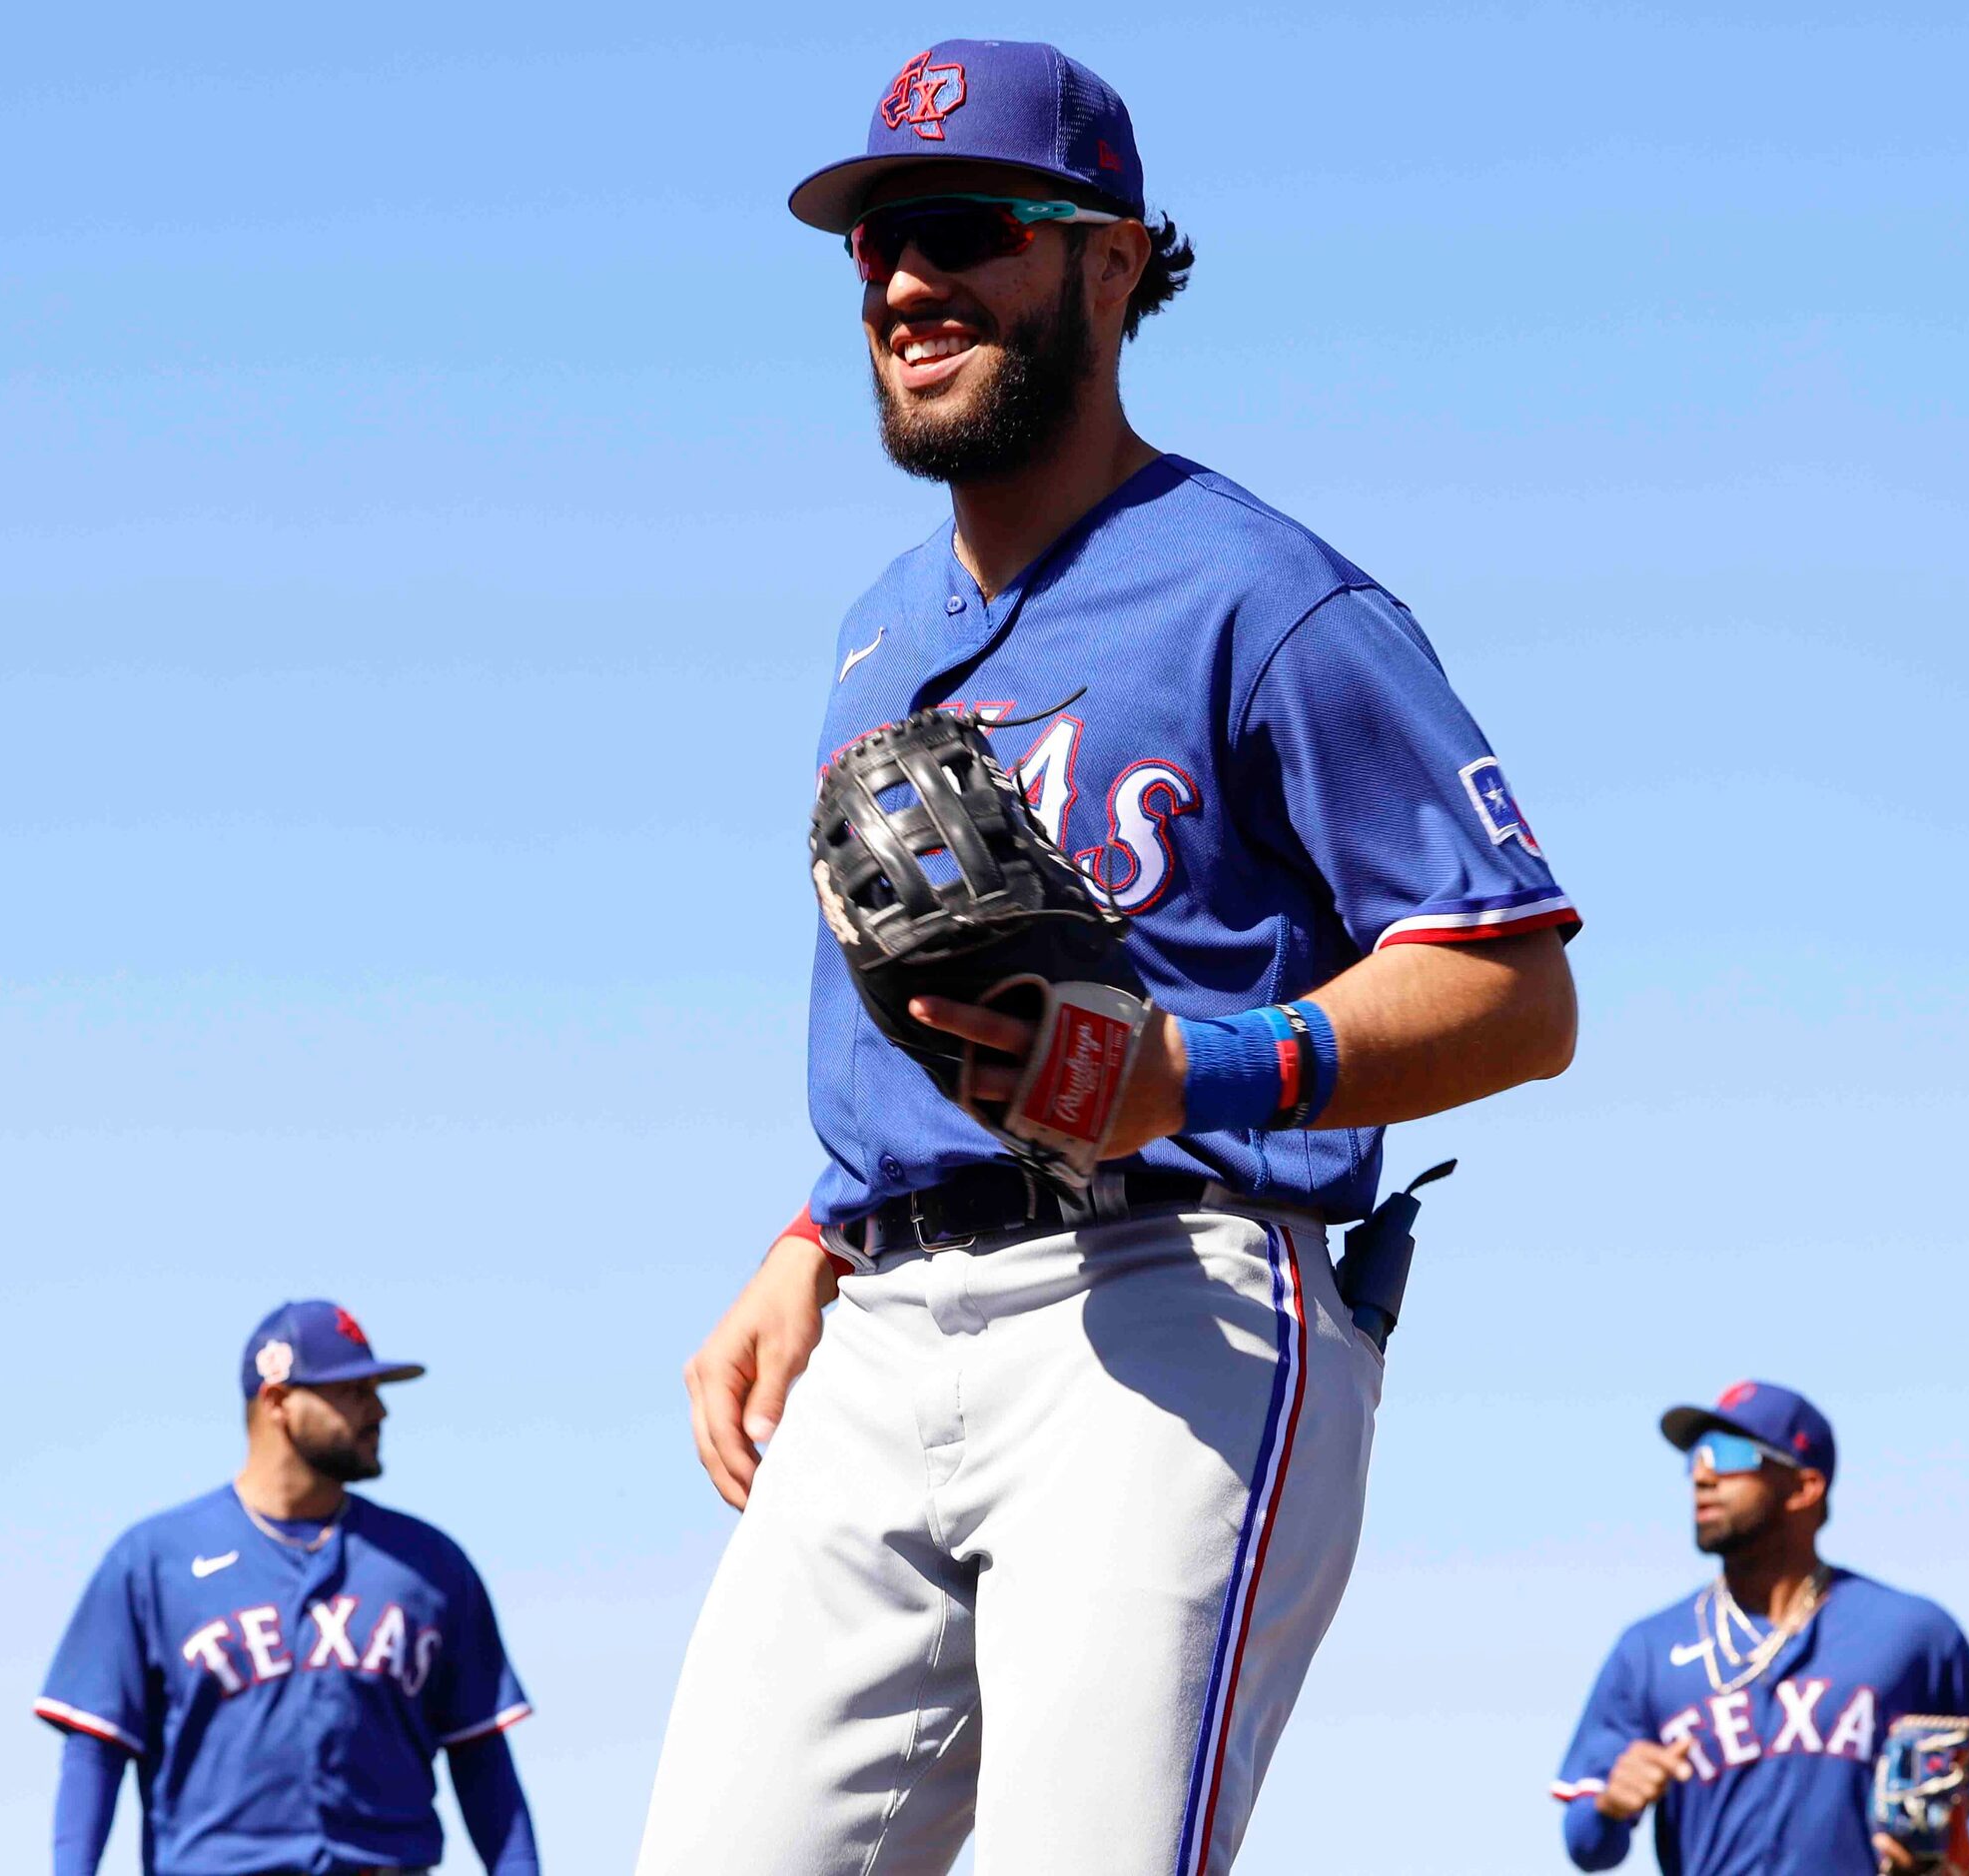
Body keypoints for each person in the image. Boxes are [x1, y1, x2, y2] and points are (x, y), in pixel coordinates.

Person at [635, 38, 1580, 1876]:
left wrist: (1200, 1066)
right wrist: (810, 1228)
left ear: (1114, 259)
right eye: (876, 244)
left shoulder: (1266, 595)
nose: (908, 281)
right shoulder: (873, 628)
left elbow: (1514, 987)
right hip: (885, 1326)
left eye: (966, 229)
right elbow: (932, 1017)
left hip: (1177, 1296)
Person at [34, 1300, 539, 1876]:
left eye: (375, 1390)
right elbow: (97, 1750)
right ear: (277, 1401)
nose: (378, 1411)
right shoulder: (153, 1560)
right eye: (352, 1392)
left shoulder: (428, 1565)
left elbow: (481, 1756)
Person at [1551, 1382, 1969, 1876]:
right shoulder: (1648, 1649)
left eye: (1728, 1454)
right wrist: (1609, 1805)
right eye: (1696, 1456)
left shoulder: (1910, 1631)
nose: (1702, 1474)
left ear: (1805, 1487)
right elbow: (1587, 1846)